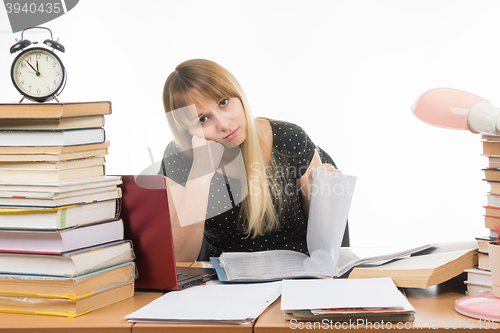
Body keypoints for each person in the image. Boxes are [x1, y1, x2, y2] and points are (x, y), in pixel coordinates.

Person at [159, 59, 340, 262]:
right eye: (202, 119)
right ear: (187, 131)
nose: (224, 124)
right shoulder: (179, 158)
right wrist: (199, 177)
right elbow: (179, 259)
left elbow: (325, 242)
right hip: (226, 285)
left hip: (300, 277)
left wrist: (328, 198)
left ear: (238, 95)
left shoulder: (289, 138)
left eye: (223, 103)